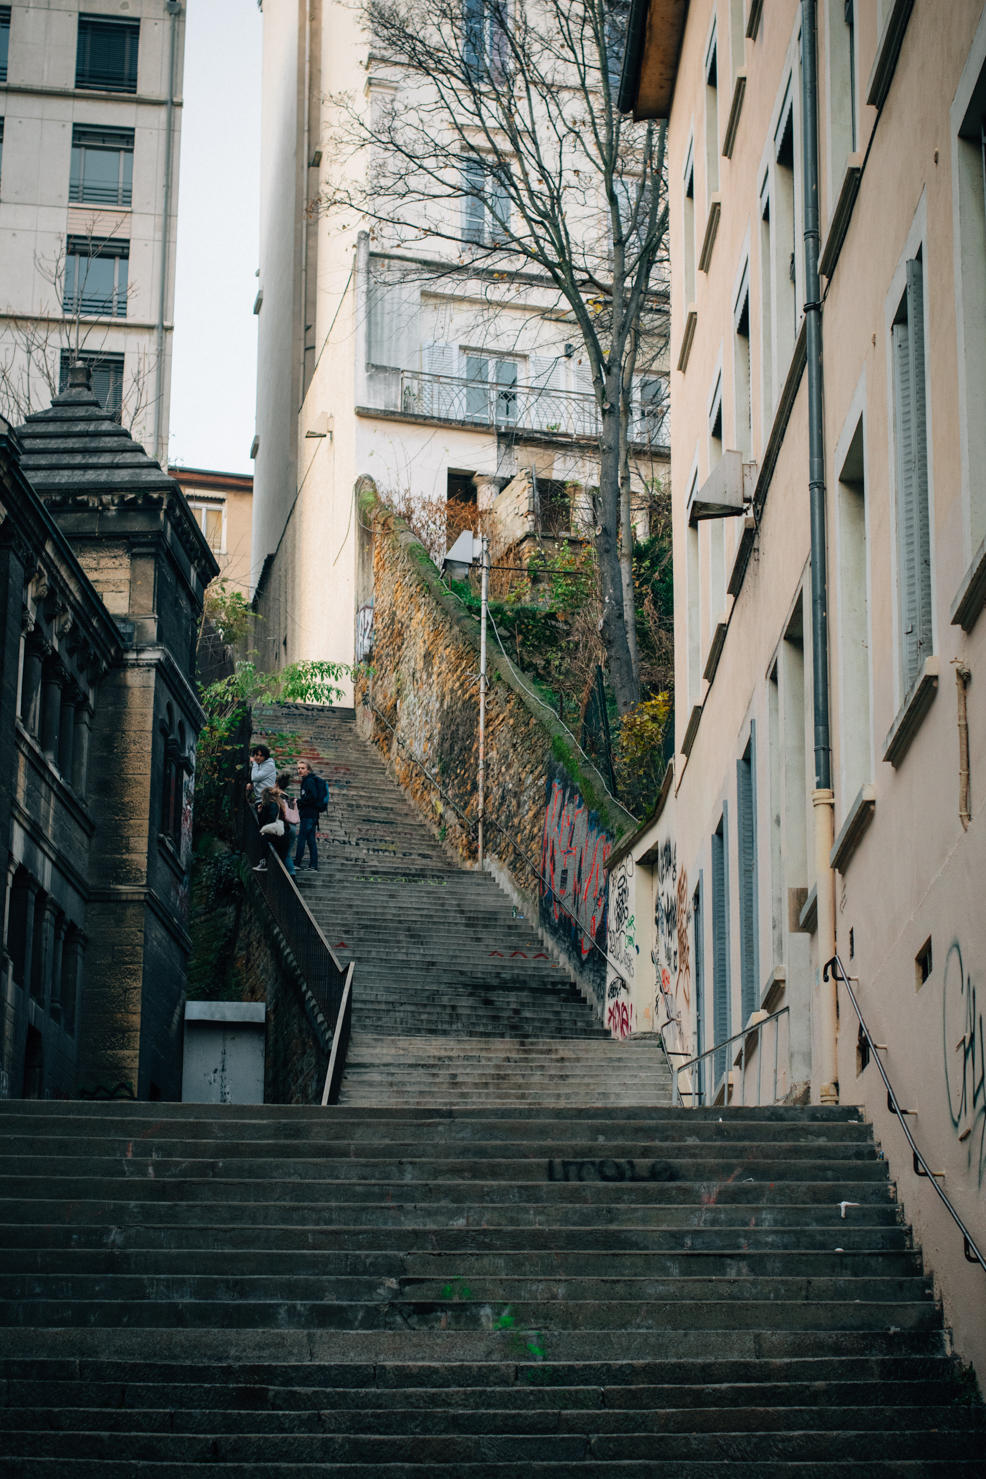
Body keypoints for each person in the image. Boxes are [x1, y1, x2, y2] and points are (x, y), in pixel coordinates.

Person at [295, 758, 324, 871]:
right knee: (311, 840)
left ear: (308, 770)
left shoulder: (309, 781)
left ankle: (297, 863)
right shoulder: (307, 780)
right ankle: (313, 865)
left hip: (308, 814)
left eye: (302, 768)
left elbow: (313, 796)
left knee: (301, 838)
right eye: (298, 768)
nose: (300, 770)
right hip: (312, 815)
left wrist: (299, 801)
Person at [253, 787, 291, 872]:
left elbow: (271, 820)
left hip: (281, 834)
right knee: (280, 863)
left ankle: (264, 863)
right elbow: (263, 824)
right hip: (282, 835)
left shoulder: (272, 805)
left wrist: (265, 831)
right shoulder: (274, 804)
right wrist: (259, 812)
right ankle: (265, 864)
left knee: (264, 838)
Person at [277, 771, 300, 876]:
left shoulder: (277, 797)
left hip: (284, 826)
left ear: (276, 783)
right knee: (287, 854)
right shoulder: (290, 799)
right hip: (293, 827)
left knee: (282, 853)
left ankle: (289, 877)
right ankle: (291, 875)